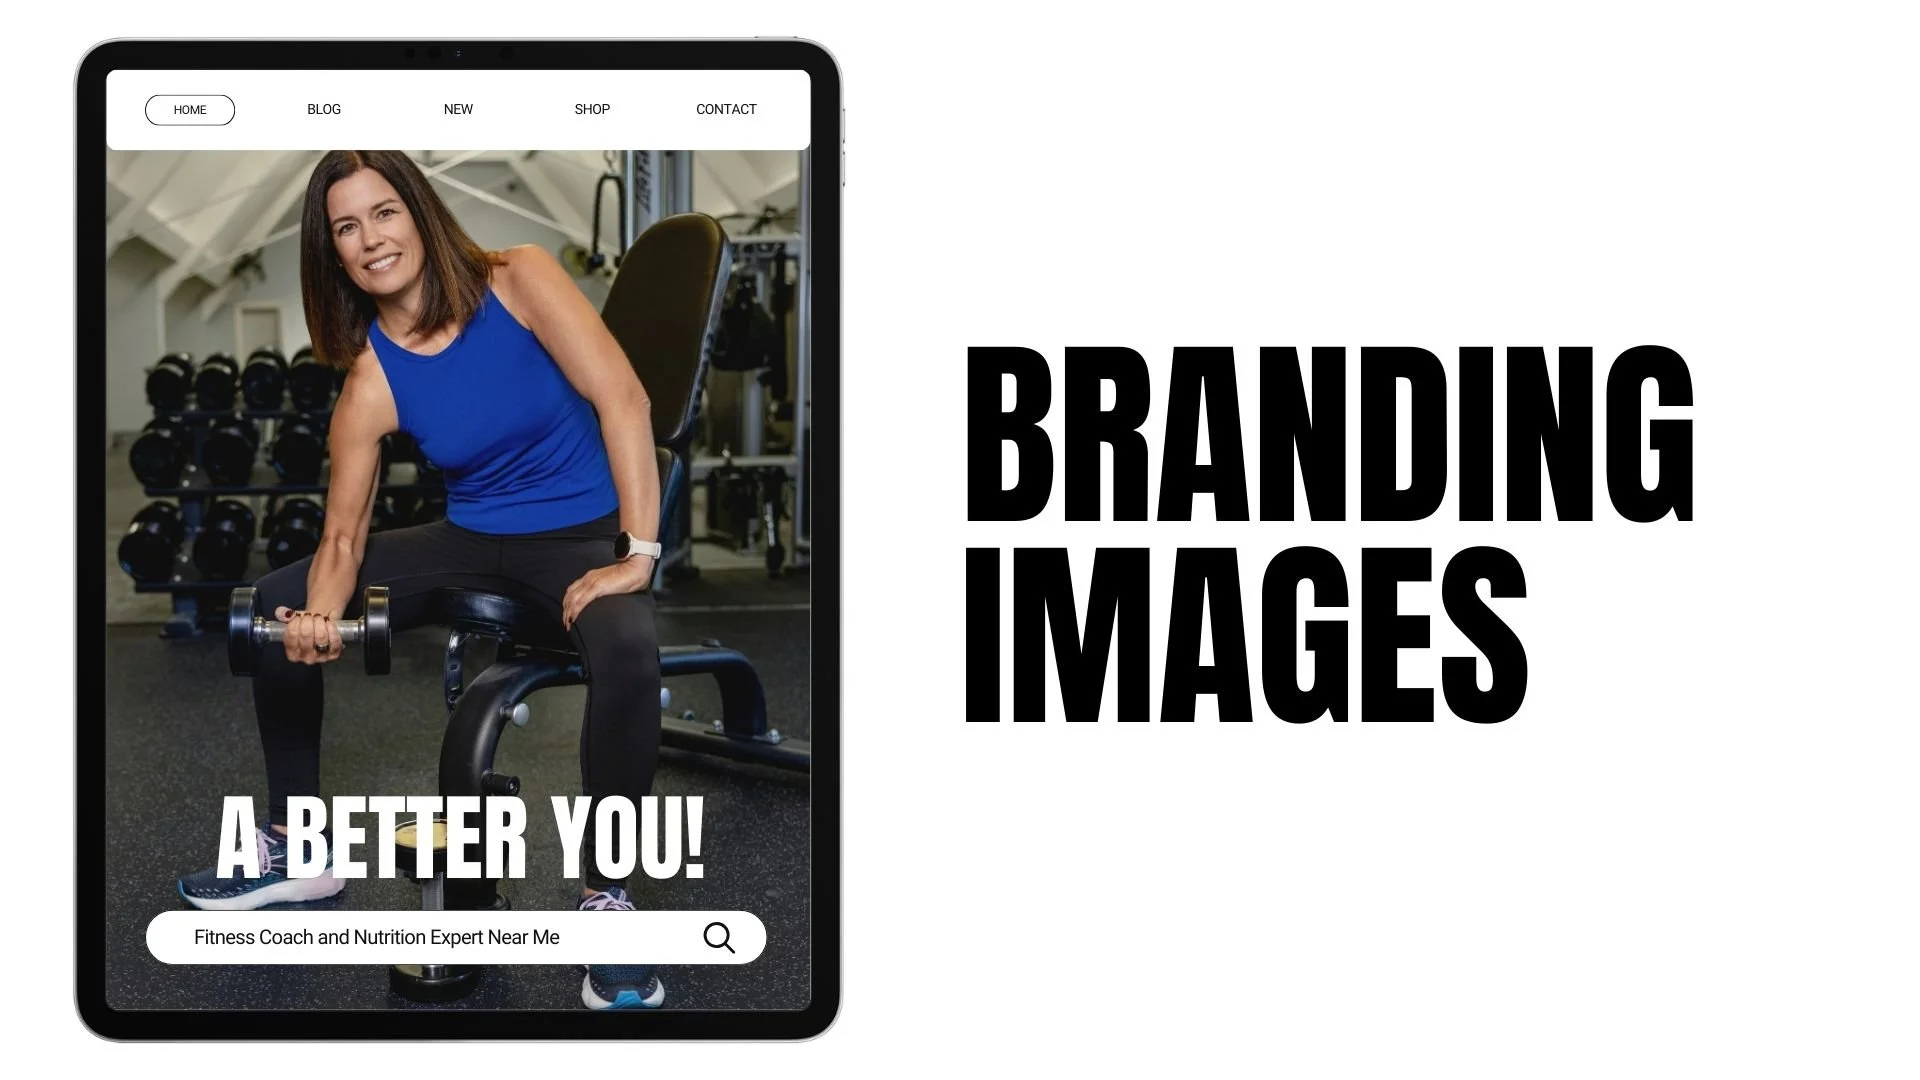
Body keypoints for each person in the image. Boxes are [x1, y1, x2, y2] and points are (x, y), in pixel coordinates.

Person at [176, 150, 668, 1011]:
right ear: (333, 253)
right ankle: (298, 849)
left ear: (420, 213)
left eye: (384, 213)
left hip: (581, 535)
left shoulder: (519, 279)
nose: (370, 239)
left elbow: (625, 399)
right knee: (276, 603)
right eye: (346, 228)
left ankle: (608, 895)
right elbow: (341, 535)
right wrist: (315, 622)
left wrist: (637, 555)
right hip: (470, 535)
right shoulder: (370, 379)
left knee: (628, 648)